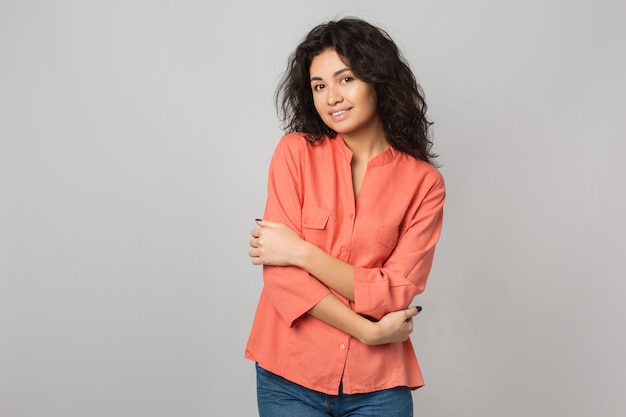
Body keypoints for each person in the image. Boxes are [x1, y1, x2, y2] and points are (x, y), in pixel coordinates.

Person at [246, 17, 445, 417]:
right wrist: (369, 330)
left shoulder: (424, 183)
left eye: (346, 79)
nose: (331, 97)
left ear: (378, 81)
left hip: (378, 385)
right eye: (319, 86)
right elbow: (282, 281)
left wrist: (301, 253)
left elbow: (395, 291)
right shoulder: (294, 154)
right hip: (288, 377)